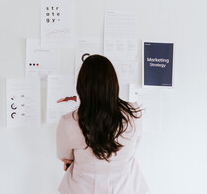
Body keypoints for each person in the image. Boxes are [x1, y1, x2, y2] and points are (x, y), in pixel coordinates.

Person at [56, 55, 149, 194]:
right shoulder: (134, 116)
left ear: (81, 86)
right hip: (127, 189)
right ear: (113, 83)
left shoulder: (69, 123)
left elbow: (65, 156)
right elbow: (134, 146)